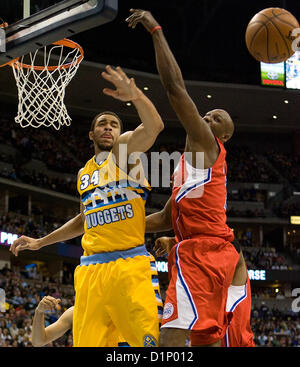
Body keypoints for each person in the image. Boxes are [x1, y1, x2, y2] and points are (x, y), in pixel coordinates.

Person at [10, 65, 164, 347]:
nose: (108, 127)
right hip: (91, 270)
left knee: (147, 345)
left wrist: (136, 97)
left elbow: (154, 127)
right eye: (102, 124)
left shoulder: (125, 153)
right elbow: (83, 220)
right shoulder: (84, 174)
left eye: (114, 124)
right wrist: (39, 243)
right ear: (91, 135)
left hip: (128, 265)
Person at [126, 9, 254, 347]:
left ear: (222, 137)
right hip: (213, 252)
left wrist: (155, 30)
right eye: (208, 115)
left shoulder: (207, 144)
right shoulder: (187, 166)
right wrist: (124, 224)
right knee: (202, 340)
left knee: (169, 336)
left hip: (205, 252)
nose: (207, 117)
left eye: (216, 119)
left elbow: (173, 87)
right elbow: (168, 217)